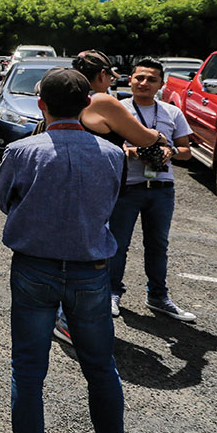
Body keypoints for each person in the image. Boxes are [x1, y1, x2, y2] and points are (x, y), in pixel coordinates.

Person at [0, 67, 129, 433]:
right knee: (100, 368)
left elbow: (4, 200)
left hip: (35, 266)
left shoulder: (21, 151)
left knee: (29, 371)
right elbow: (112, 202)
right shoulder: (114, 155)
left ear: (41, 105)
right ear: (88, 104)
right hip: (92, 270)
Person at [52, 49, 165, 344]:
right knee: (92, 255)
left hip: (67, 183)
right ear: (102, 75)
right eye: (111, 76)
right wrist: (160, 138)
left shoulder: (65, 98)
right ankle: (69, 319)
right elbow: (143, 136)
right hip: (96, 189)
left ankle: (60, 314)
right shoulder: (100, 100)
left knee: (67, 250)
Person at [109, 58, 196, 321]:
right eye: (139, 78)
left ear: (161, 84)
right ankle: (111, 293)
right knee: (117, 244)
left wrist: (169, 152)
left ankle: (158, 296)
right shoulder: (117, 109)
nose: (144, 83)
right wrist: (134, 151)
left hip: (161, 189)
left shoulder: (172, 113)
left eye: (151, 79)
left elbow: (187, 152)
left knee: (158, 245)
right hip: (127, 187)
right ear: (130, 79)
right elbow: (106, 146)